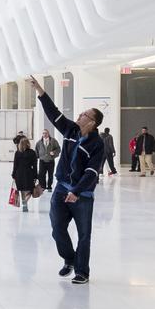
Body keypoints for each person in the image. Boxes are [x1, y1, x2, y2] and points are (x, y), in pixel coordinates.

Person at [29, 77, 106, 285]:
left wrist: (78, 191)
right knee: (57, 229)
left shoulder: (97, 144)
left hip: (82, 195)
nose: (80, 115)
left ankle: (82, 271)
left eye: (85, 115)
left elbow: (91, 172)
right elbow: (54, 114)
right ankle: (69, 259)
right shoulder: (70, 130)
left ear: (93, 122)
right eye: (81, 113)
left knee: (84, 235)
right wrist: (40, 92)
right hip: (62, 189)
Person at [12, 136, 40, 213]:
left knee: (22, 190)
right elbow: (35, 165)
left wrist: (13, 174)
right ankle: (25, 202)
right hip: (29, 173)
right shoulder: (32, 152)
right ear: (28, 144)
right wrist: (35, 175)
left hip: (19, 174)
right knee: (30, 190)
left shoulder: (17, 153)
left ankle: (24, 203)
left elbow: (15, 165)